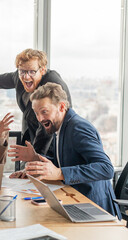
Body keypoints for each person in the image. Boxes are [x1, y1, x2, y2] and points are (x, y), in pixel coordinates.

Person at [9, 82, 120, 217]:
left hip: (94, 208)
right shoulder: (60, 126)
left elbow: (106, 168)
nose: (39, 119)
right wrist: (36, 159)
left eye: (44, 112)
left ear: (61, 107)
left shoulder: (78, 128)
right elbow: (64, 162)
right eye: (36, 113)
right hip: (74, 201)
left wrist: (59, 173)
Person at [0, 49, 72, 158]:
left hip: (55, 148)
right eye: (22, 71)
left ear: (42, 70)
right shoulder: (18, 77)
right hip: (32, 142)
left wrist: (34, 159)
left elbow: (47, 129)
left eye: (32, 71)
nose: (26, 77)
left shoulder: (53, 84)